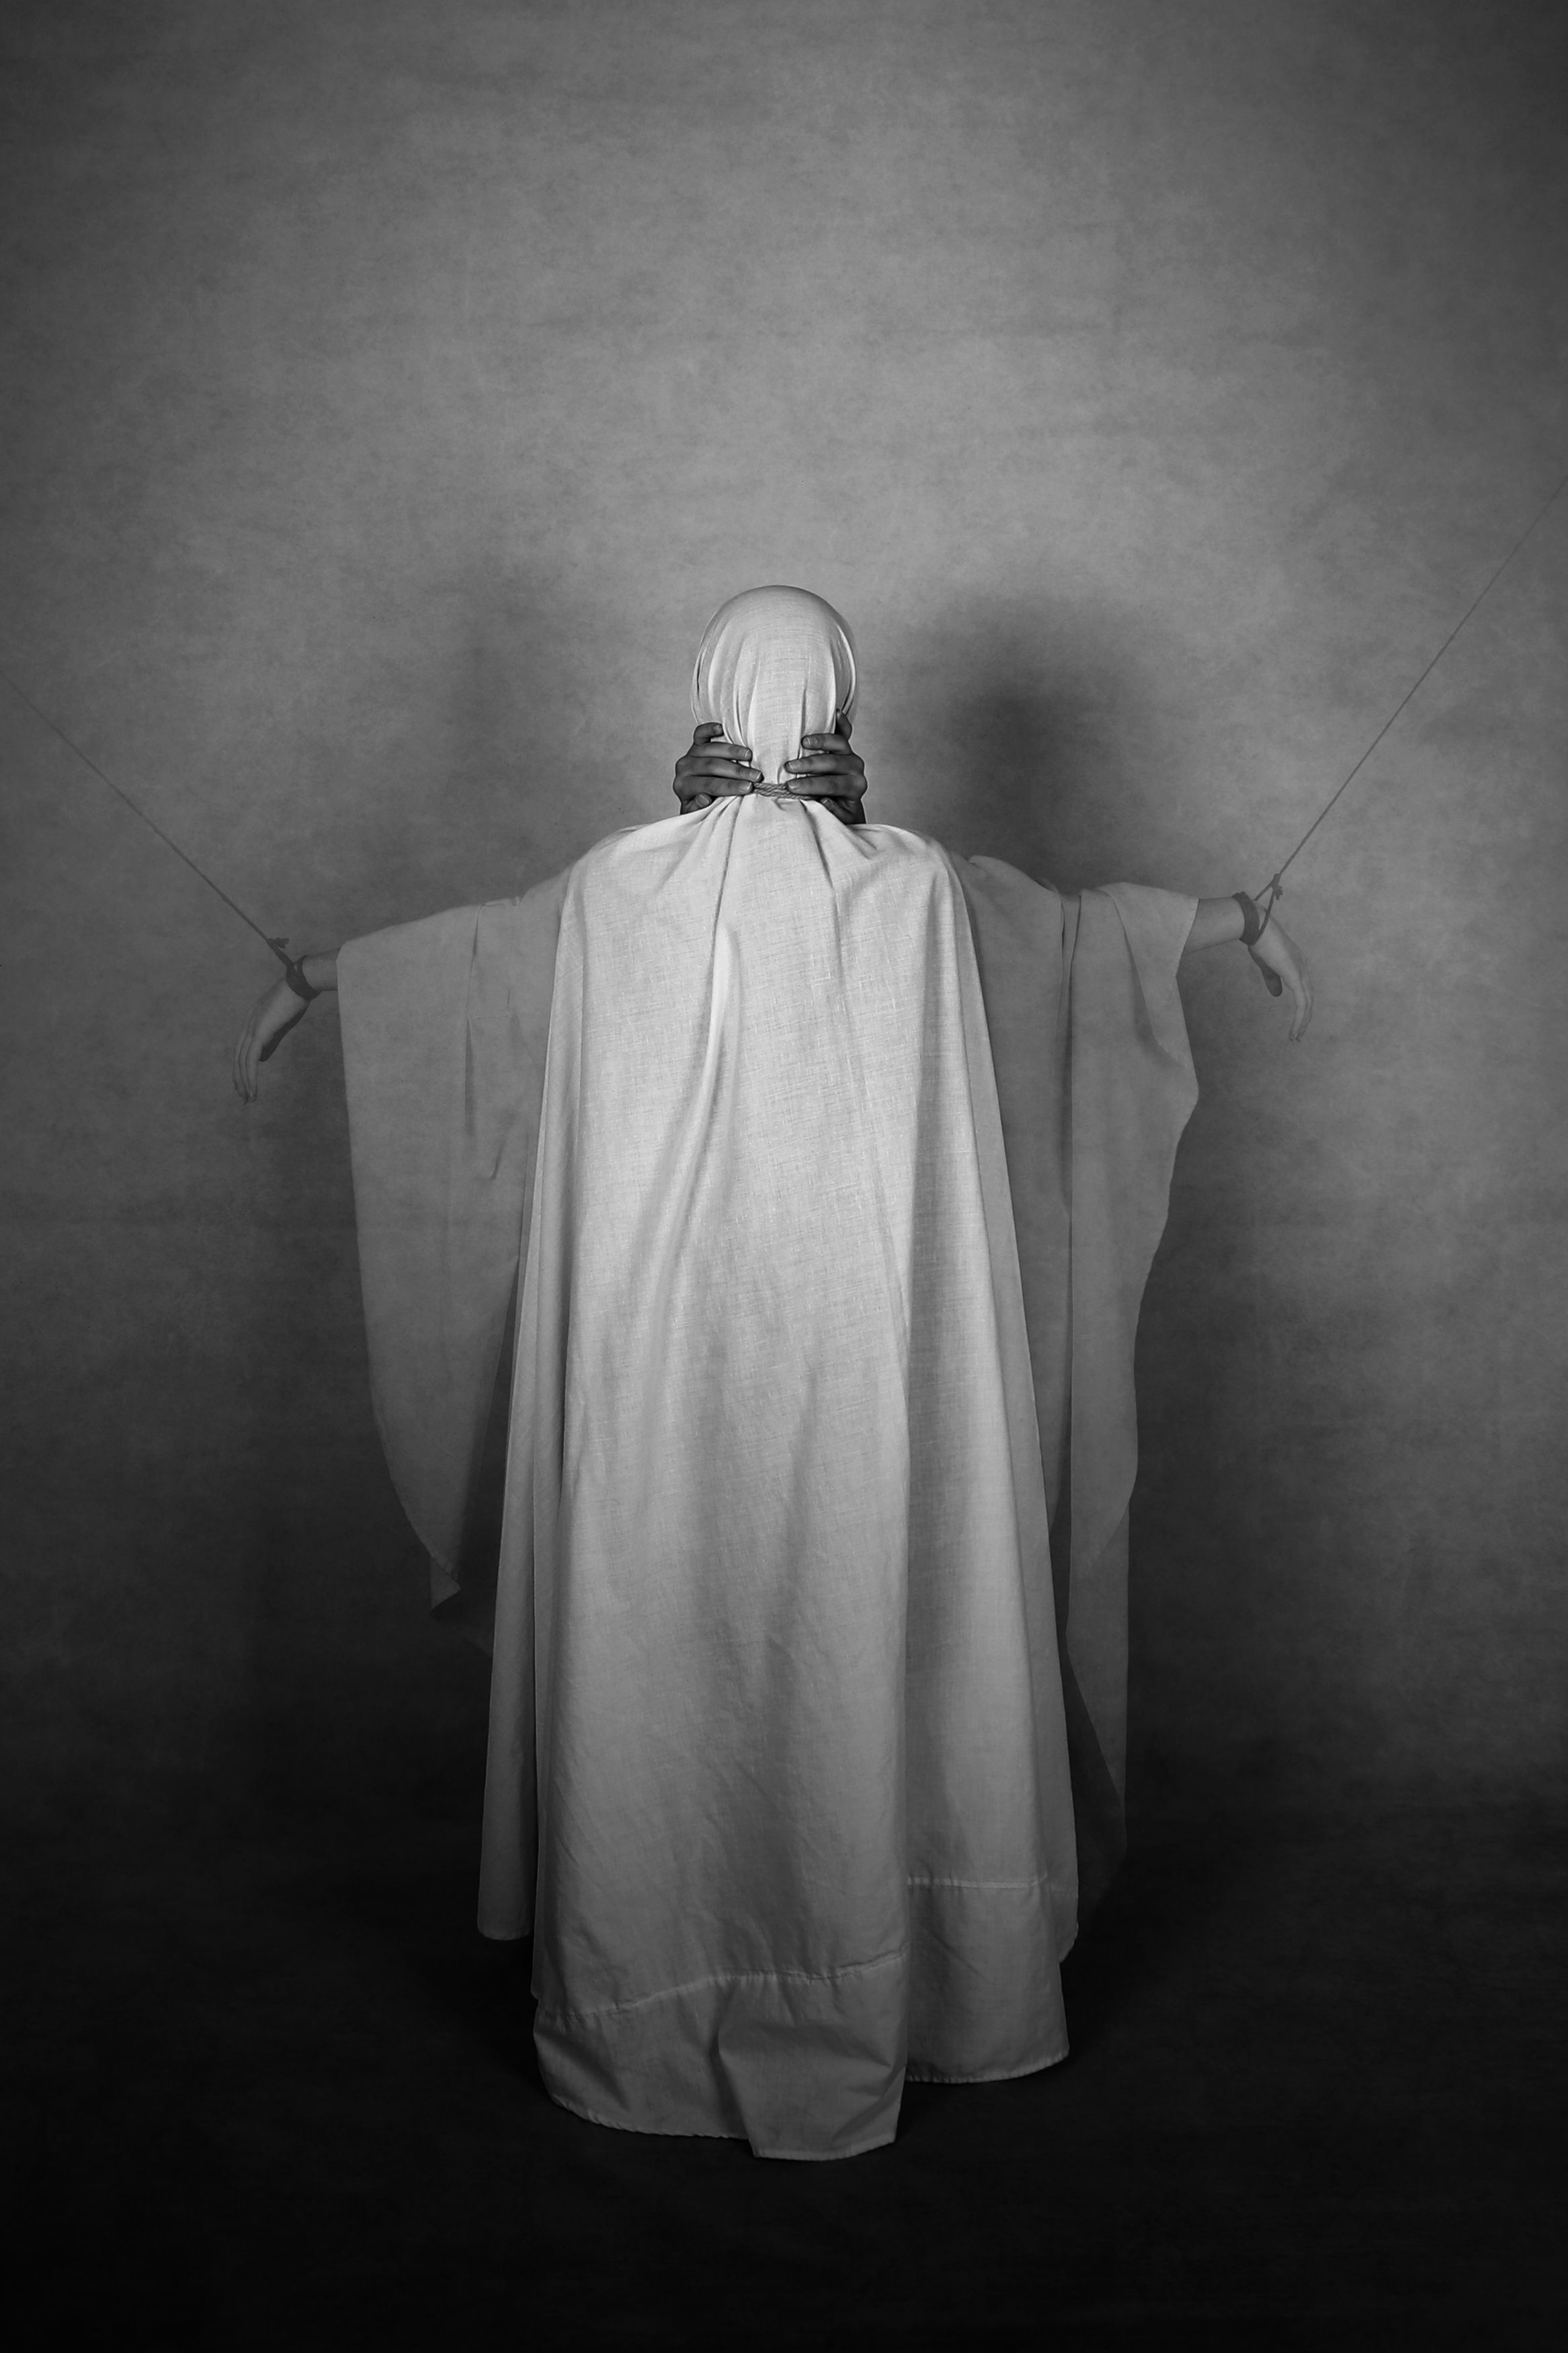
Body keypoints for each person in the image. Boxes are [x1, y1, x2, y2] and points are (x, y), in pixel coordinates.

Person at [233, 586, 1311, 2160]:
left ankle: (649, 1988)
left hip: (656, 1373)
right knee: (865, 1615)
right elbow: (1068, 944)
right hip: (873, 1369)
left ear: (712, 695)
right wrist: (1227, 919)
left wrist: (323, 974)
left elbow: (477, 963)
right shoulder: (915, 885)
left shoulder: (622, 885)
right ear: (840, 702)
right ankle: (913, 1979)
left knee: (668, 1616)